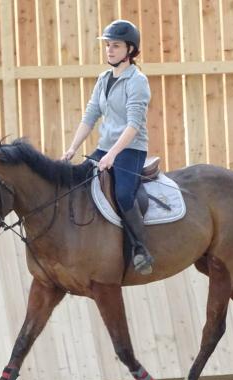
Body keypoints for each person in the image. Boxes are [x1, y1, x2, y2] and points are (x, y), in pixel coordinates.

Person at [62, 19, 153, 275]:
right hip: (104, 147)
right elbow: (90, 115)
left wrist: (113, 154)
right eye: (107, 46)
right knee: (79, 185)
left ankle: (141, 248)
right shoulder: (103, 79)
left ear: (130, 50)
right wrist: (72, 148)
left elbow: (134, 124)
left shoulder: (137, 81)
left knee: (124, 194)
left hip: (130, 149)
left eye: (115, 46)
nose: (109, 50)